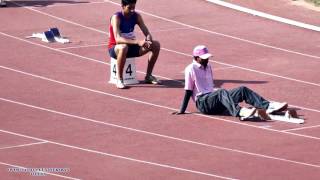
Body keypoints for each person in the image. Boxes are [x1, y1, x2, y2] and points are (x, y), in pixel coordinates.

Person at [172, 45, 288, 120]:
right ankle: (240, 112)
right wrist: (182, 110)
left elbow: (211, 88)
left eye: (207, 57)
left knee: (242, 89)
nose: (207, 59)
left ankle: (268, 106)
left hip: (213, 98)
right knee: (221, 92)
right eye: (204, 58)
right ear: (196, 57)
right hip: (203, 103)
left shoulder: (208, 66)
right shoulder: (190, 69)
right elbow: (188, 91)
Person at [108, 0, 161, 89]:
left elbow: (146, 31)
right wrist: (138, 42)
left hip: (131, 47)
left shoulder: (136, 16)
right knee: (123, 47)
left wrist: (148, 39)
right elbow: (118, 39)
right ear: (123, 6)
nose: (132, 10)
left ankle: (148, 76)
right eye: (129, 8)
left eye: (134, 7)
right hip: (116, 48)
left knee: (156, 45)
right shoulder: (116, 17)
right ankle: (119, 79)